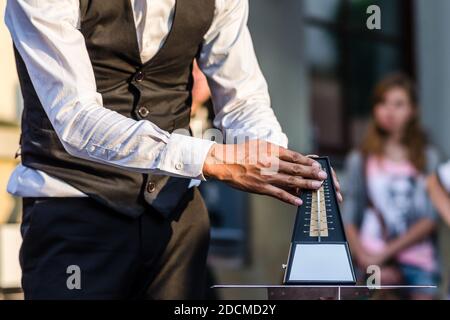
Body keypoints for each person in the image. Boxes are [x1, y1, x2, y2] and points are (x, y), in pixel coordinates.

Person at [5, 0, 341, 299]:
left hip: (176, 217)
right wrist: (210, 158)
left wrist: (281, 163)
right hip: (73, 210)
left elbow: (244, 103)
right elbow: (76, 118)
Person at [342, 73, 441, 299]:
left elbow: (430, 217)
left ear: (413, 110)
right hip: (369, 258)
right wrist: (364, 256)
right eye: (383, 103)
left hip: (418, 261)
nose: (389, 111)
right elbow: (349, 214)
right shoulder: (361, 158)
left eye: (398, 104)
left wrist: (386, 253)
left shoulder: (428, 157)